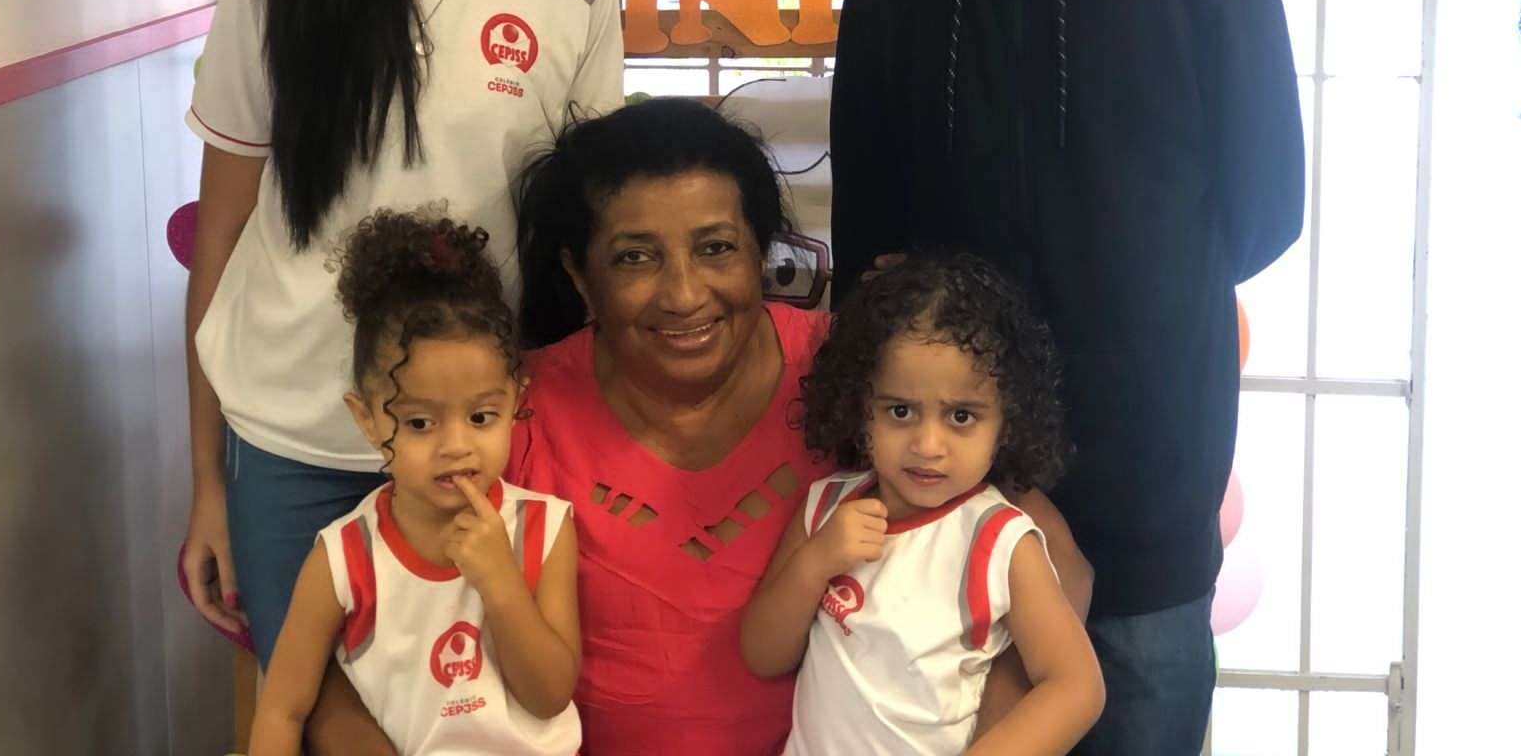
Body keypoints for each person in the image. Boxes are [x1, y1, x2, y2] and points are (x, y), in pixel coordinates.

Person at [831, 0, 1304, 755]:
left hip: (1148, 483)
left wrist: (1129, 293)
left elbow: (1262, 211)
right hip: (953, 501)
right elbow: (873, 253)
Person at [301, 98, 1093, 754]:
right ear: (580, 276)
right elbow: (358, 648)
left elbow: (1049, 559)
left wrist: (989, 725)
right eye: (636, 258)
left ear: (761, 254)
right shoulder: (504, 413)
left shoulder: (867, 375)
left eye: (716, 248)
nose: (684, 294)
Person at [180, 0, 623, 668]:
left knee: (476, 719)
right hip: (291, 439)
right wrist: (206, 483)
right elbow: (223, 239)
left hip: (479, 441)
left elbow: (586, 247)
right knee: (312, 717)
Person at [741, 255, 1105, 755]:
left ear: (1007, 422)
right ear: (859, 406)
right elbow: (763, 655)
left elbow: (1077, 687)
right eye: (900, 410)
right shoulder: (826, 506)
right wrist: (815, 562)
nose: (928, 445)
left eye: (961, 416)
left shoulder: (1000, 540)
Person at [249, 211, 581, 754]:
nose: (455, 445)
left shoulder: (543, 528)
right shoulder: (345, 557)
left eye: (481, 417)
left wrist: (501, 582)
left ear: (516, 402)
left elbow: (549, 697)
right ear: (366, 419)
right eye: (421, 423)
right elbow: (283, 709)